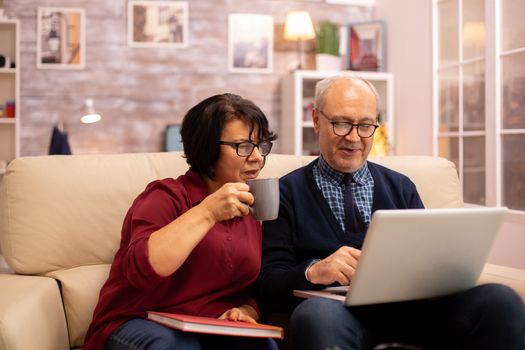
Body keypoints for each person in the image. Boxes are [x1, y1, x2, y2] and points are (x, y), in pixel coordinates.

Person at [257, 75, 525, 350]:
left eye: (365, 126)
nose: (354, 138)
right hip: (339, 318)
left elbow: (430, 260)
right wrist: (314, 271)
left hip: (417, 314)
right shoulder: (286, 192)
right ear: (316, 120)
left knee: (500, 301)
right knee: (315, 316)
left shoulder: (401, 187)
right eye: (342, 123)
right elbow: (268, 285)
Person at [84, 93, 278, 350]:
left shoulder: (251, 207)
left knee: (261, 346)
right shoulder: (165, 196)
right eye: (243, 146)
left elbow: (251, 286)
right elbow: (143, 270)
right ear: (207, 148)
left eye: (261, 145)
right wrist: (208, 212)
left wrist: (245, 310)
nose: (256, 157)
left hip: (208, 328)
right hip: (140, 321)